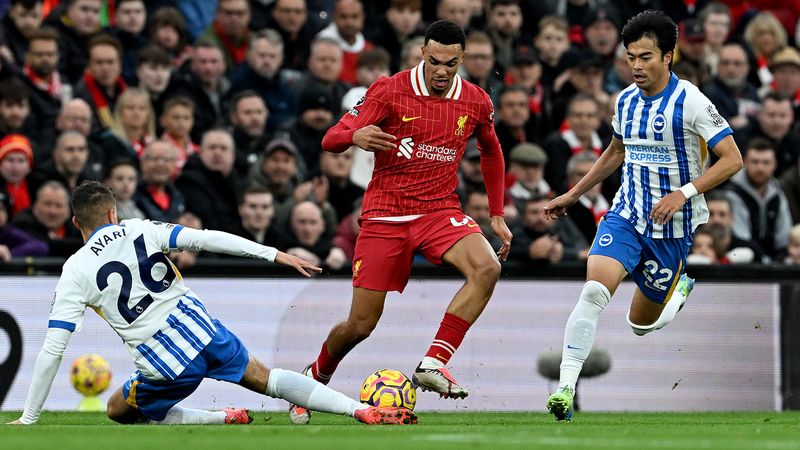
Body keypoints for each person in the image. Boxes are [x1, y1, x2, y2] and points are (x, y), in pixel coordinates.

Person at [6, 181, 417, 426]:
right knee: (268, 378)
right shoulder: (139, 229)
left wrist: (29, 418)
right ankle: (358, 409)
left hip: (164, 363)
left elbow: (53, 349)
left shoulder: (74, 270)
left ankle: (223, 417)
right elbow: (207, 238)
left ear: (75, 222)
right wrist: (274, 253)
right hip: (202, 329)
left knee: (118, 409)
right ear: (113, 213)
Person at [290, 20, 512, 425]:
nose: (442, 71)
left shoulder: (477, 101)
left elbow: (492, 152)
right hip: (386, 215)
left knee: (487, 267)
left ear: (462, 60)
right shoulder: (390, 89)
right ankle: (313, 378)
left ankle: (433, 362)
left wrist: (496, 214)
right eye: (434, 61)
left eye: (451, 63)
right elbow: (330, 139)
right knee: (360, 325)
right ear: (421, 55)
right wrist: (355, 137)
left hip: (439, 210)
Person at [543, 11, 743, 422]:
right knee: (593, 293)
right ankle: (564, 388)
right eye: (631, 56)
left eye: (645, 56)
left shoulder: (692, 101)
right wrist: (573, 193)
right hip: (627, 215)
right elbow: (616, 151)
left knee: (640, 325)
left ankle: (677, 294)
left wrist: (683, 194)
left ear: (668, 56)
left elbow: (732, 160)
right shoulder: (625, 100)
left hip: (674, 228)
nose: (636, 65)